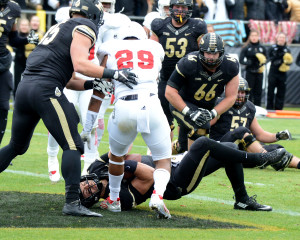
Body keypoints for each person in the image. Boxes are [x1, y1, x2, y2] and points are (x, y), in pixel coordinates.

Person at [0, 0, 137, 217]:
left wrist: (92, 84)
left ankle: (72, 201)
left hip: (26, 88)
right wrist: (114, 73)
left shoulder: (58, 27)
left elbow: (70, 79)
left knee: (17, 146)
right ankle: (73, 202)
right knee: (73, 144)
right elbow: (80, 65)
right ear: (93, 15)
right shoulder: (85, 27)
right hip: (45, 89)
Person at [81, 21, 173, 219]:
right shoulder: (155, 47)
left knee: (116, 156)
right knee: (163, 160)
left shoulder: (110, 48)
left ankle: (114, 199)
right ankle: (157, 196)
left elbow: (99, 91)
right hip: (151, 104)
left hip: (124, 105)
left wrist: (87, 128)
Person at [79, 137, 286, 213]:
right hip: (176, 181)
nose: (90, 185)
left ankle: (241, 200)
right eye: (88, 192)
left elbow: (120, 150)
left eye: (85, 184)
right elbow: (151, 175)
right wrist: (128, 165)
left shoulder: (95, 170)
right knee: (203, 144)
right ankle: (258, 159)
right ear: (93, 199)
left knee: (231, 145)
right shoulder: (119, 199)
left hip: (173, 163)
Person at [165, 32, 239, 152]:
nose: (211, 57)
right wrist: (189, 112)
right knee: (201, 126)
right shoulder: (189, 63)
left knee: (183, 148)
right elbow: (169, 91)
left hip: (207, 107)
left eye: (214, 53)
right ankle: (194, 166)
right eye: (208, 52)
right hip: (182, 104)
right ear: (201, 51)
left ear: (221, 52)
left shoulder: (230, 65)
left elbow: (231, 97)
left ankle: (165, 156)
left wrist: (213, 113)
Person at [209, 77, 300, 171]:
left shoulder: (249, 107)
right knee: (242, 131)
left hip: (241, 154)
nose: (240, 95)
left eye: (243, 92)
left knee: (277, 149)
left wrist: (277, 136)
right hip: (222, 150)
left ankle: (297, 163)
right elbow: (206, 126)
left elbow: (260, 134)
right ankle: (264, 158)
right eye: (237, 91)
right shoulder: (220, 104)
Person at [150, 0, 207, 139]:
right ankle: (164, 154)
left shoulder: (197, 26)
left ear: (189, 9)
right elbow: (152, 52)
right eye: (177, 7)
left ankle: (185, 151)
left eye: (183, 7)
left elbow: (205, 52)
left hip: (189, 82)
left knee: (188, 121)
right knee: (164, 122)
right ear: (171, 8)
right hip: (166, 79)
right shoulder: (159, 25)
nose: (180, 10)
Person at [0, 0, 39, 146]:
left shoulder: (12, 8)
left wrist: (27, 40)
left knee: (4, 107)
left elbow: (13, 39)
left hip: (2, 64)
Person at [239, 29, 267, 107]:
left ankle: (258, 107)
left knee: (258, 91)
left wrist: (263, 63)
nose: (254, 37)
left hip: (259, 72)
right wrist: (248, 63)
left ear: (258, 37)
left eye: (255, 36)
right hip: (250, 71)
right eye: (252, 36)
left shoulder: (262, 48)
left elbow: (266, 58)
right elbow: (241, 60)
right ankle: (249, 107)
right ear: (249, 37)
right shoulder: (246, 47)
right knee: (249, 90)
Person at [267, 32, 293, 110]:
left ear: (285, 40)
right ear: (277, 39)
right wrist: (276, 59)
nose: (281, 39)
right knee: (270, 91)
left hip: (282, 73)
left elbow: (289, 61)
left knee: (281, 91)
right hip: (273, 72)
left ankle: (279, 109)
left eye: (283, 38)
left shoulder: (287, 49)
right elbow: (269, 58)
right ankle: (269, 108)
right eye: (280, 37)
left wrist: (287, 62)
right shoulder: (272, 48)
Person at [13, 18, 30, 99]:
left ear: (28, 26)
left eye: (26, 25)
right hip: (18, 61)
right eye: (22, 25)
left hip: (29, 63)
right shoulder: (16, 36)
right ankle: (16, 99)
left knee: (28, 83)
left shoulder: (31, 36)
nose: (24, 27)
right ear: (19, 26)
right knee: (17, 81)